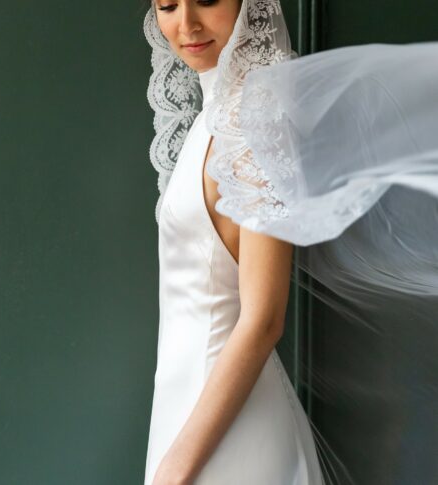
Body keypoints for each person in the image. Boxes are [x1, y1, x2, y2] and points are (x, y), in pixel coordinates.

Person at [143, 0, 438, 484]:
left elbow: (263, 320)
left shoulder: (253, 125)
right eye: (168, 5)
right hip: (189, 410)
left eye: (207, 0)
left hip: (223, 433)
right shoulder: (214, 115)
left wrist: (176, 468)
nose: (187, 24)